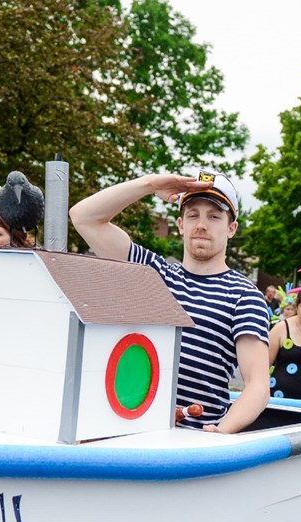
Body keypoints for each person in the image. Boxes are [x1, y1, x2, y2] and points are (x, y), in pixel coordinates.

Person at [69, 171, 269, 434]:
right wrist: (150, 184)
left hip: (194, 446)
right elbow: (84, 218)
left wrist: (220, 433)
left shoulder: (244, 295)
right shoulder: (154, 275)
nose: (201, 224)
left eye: (214, 216)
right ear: (180, 224)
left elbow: (258, 385)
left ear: (231, 228)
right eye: (193, 214)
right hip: (131, 433)